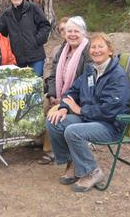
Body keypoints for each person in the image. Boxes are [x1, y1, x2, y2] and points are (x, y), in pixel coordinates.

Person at [46, 32, 130, 192]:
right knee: (54, 121)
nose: (96, 50)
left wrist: (80, 110)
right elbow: (72, 91)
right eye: (93, 47)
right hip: (89, 119)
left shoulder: (117, 76)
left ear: (110, 51)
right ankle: (73, 163)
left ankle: (92, 171)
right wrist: (64, 106)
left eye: (101, 47)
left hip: (110, 126)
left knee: (73, 131)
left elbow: (111, 110)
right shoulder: (91, 70)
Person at [39, 16, 92, 164]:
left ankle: (52, 151)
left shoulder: (87, 52)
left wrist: (63, 100)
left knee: (53, 113)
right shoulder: (63, 49)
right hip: (60, 93)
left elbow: (85, 84)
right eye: (69, 31)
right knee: (40, 103)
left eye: (76, 31)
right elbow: (54, 73)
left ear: (84, 33)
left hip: (77, 99)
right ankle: (39, 140)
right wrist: (52, 94)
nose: (72, 34)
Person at [0, 0, 51, 76]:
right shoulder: (7, 14)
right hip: (17, 57)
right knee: (20, 86)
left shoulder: (33, 8)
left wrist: (36, 40)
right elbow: (1, 33)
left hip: (35, 55)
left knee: (35, 83)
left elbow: (45, 25)